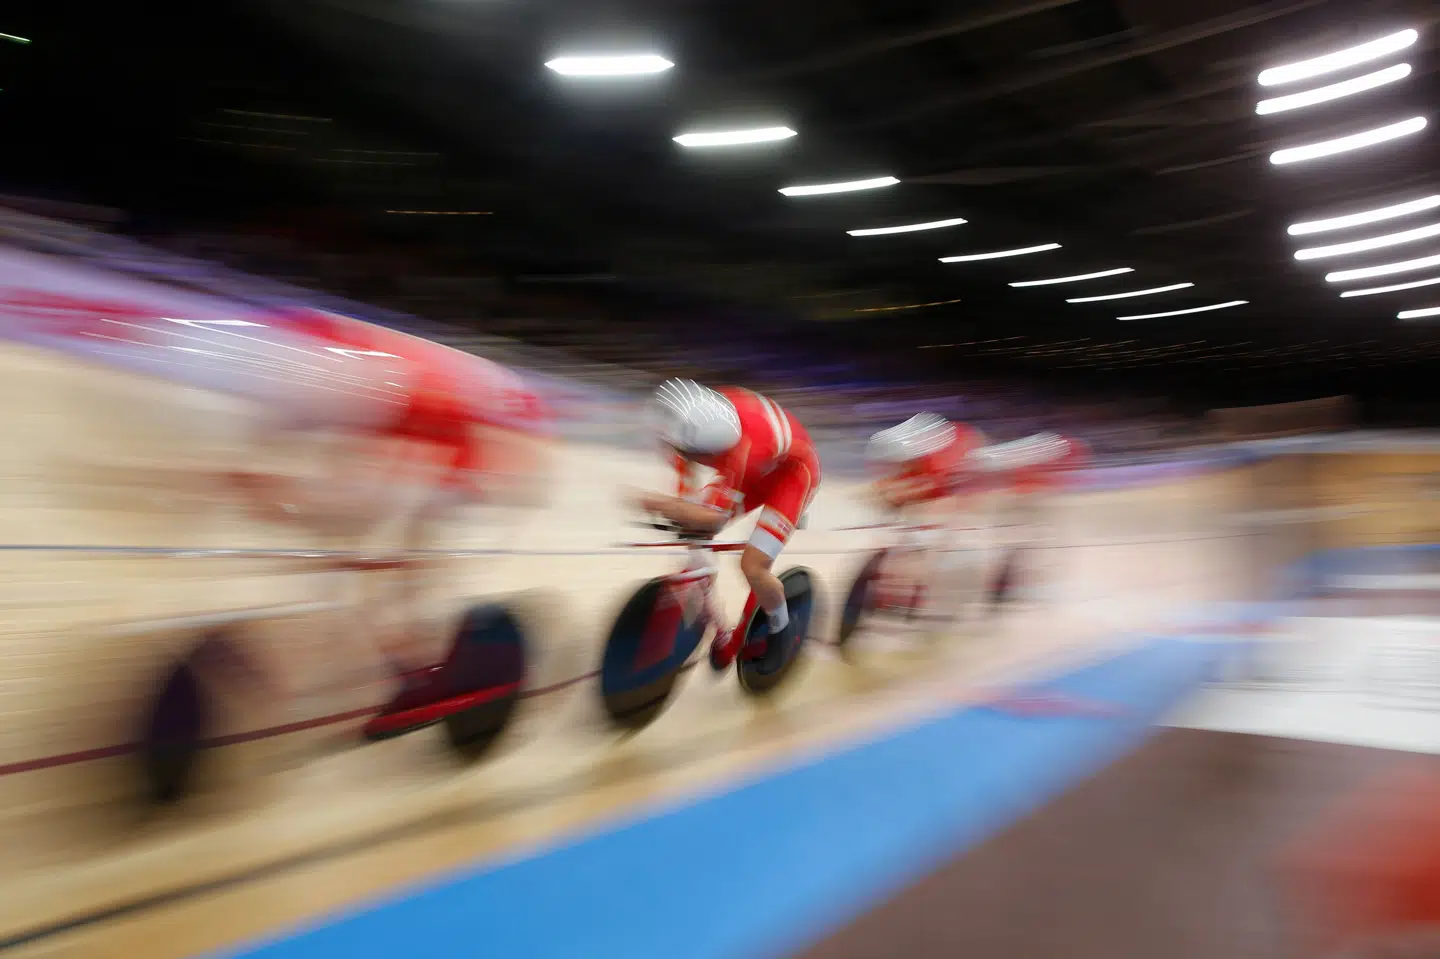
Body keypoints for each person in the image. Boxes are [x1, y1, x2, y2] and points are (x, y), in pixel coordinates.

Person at [631, 378, 820, 671]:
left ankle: (781, 629)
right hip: (755, 464)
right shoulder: (698, 415)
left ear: (709, 451)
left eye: (690, 454)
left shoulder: (742, 450)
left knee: (753, 566)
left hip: (793, 478)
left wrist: (663, 505)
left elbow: (712, 517)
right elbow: (685, 479)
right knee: (694, 530)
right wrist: (682, 512)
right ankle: (712, 617)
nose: (680, 456)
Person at [864, 413, 989, 618]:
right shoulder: (891, 451)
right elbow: (885, 490)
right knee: (904, 518)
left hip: (961, 468)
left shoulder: (942, 461)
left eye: (902, 463)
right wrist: (888, 510)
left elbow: (944, 499)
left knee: (933, 536)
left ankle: (923, 588)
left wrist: (932, 531)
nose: (896, 467)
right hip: (931, 457)